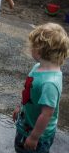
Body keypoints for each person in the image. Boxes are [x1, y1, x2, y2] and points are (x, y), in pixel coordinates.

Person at [12, 23, 69, 152]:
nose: (30, 48)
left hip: (38, 135)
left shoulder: (50, 83)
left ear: (39, 50)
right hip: (26, 124)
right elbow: (28, 90)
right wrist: (19, 106)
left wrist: (34, 137)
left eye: (32, 46)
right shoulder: (38, 67)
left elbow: (47, 114)